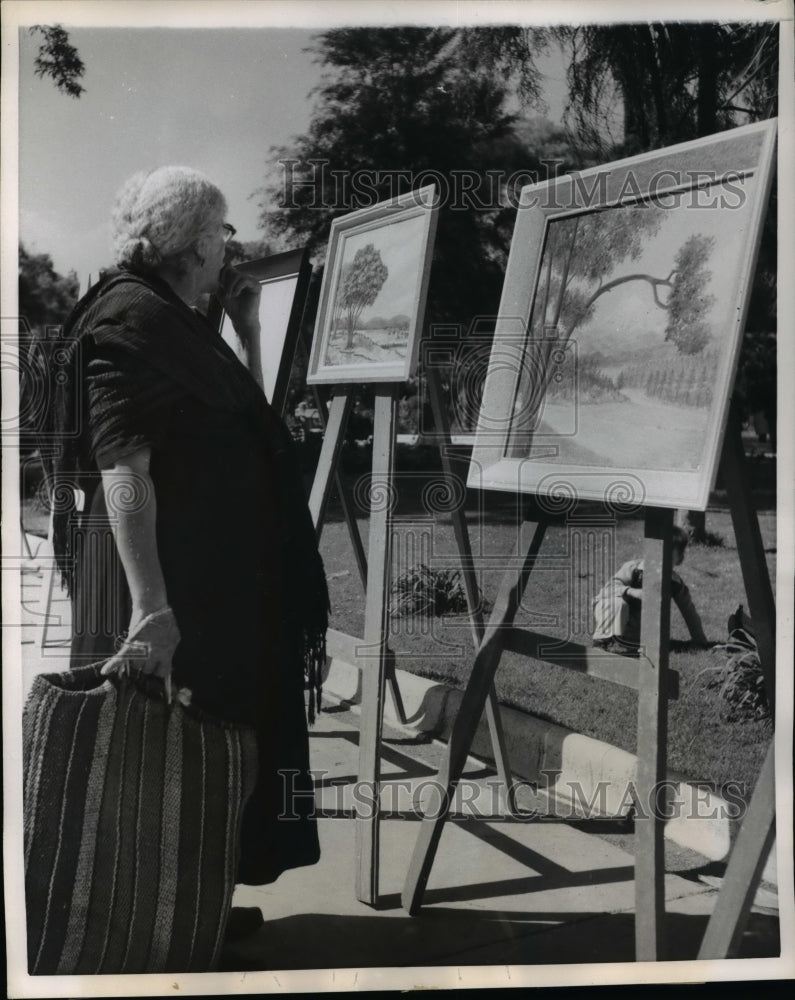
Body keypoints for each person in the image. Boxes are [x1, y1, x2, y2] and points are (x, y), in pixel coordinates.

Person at [46, 166, 327, 923]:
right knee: (166, 752)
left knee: (206, 753)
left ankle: (193, 901)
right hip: (178, 591)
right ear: (197, 240)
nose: (228, 248)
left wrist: (250, 331)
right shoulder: (130, 320)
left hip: (215, 588)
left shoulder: (171, 321)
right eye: (224, 233)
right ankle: (157, 919)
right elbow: (122, 469)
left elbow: (243, 428)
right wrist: (152, 610)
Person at [592, 525, 709, 655]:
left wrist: (700, 640)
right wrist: (631, 591)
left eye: (667, 558)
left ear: (679, 559)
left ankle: (632, 643)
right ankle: (602, 642)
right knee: (617, 604)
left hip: (639, 632)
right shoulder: (633, 569)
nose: (660, 562)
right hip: (615, 618)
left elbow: (689, 611)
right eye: (657, 555)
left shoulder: (674, 583)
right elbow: (607, 590)